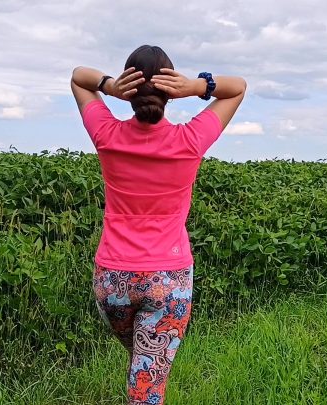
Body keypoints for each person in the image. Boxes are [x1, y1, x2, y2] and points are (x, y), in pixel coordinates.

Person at [70, 44, 246, 405]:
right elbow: (239, 87)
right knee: (148, 383)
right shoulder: (189, 141)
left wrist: (108, 86)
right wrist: (198, 87)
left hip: (112, 278)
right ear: (170, 89)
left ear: (128, 87)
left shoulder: (108, 135)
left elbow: (77, 77)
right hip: (168, 279)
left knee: (141, 363)